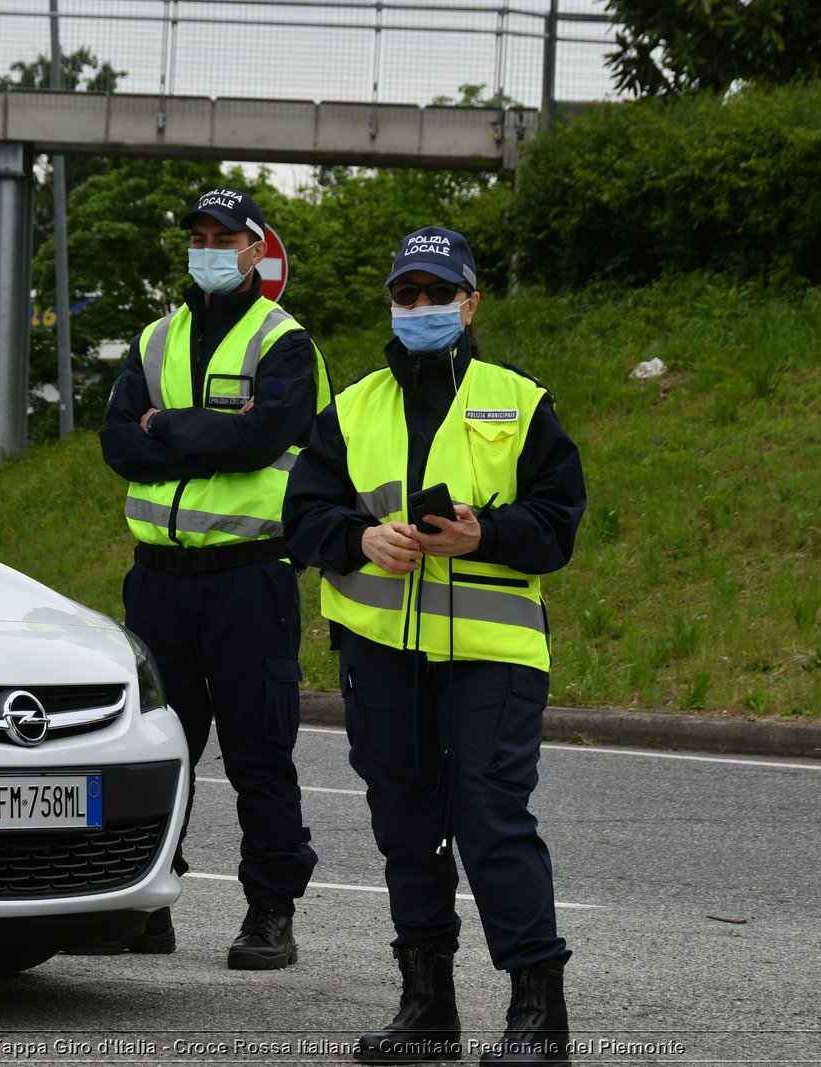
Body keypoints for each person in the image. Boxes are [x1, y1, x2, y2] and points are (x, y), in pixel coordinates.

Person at [283, 226, 585, 1064]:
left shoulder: (519, 400)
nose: (421, 307)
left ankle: (537, 1014)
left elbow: (559, 525)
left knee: (488, 816)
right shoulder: (350, 407)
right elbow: (302, 517)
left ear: (471, 301)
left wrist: (485, 532)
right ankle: (427, 1009)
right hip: (382, 650)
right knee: (406, 825)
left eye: (437, 292)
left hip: (494, 651)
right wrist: (356, 539)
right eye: (406, 294)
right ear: (391, 302)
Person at [88, 187, 331, 969]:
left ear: (258, 250)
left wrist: (169, 427)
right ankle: (148, 897)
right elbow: (119, 443)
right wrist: (201, 435)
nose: (208, 248)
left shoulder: (286, 341)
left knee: (259, 748)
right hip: (158, 580)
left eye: (223, 237)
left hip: (247, 578)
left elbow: (262, 438)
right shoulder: (157, 337)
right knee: (160, 748)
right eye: (197, 235)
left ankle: (270, 911)